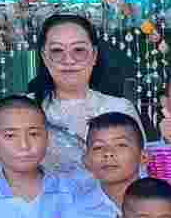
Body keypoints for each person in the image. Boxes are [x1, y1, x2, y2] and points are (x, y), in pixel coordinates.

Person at [29, 13, 140, 192]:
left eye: (79, 50)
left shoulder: (120, 108)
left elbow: (139, 174)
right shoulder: (24, 110)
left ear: (94, 55)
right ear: (44, 56)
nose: (68, 60)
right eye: (57, 51)